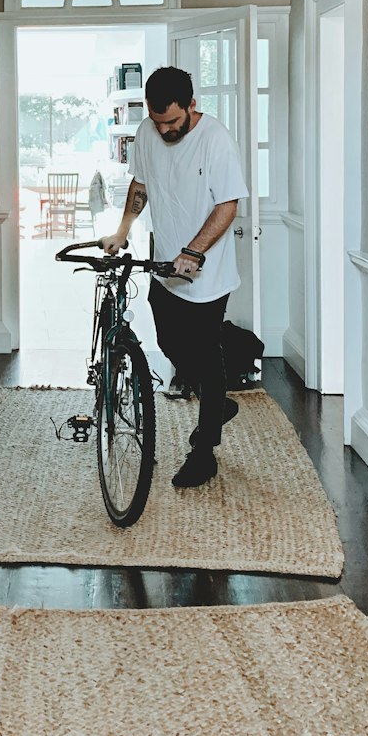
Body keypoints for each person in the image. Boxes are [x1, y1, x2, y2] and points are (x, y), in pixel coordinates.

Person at [103, 66, 249, 488]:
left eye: (172, 121)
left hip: (206, 270)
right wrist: (123, 230)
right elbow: (141, 184)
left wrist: (193, 251)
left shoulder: (215, 140)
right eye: (157, 120)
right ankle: (215, 401)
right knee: (169, 342)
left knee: (204, 350)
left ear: (191, 105)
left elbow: (227, 206)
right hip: (165, 264)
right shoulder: (148, 133)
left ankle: (204, 452)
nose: (164, 129)